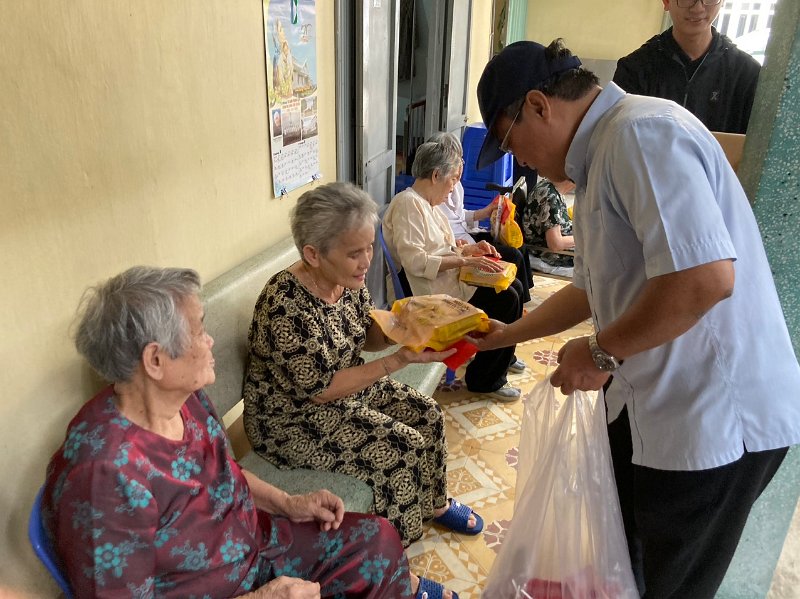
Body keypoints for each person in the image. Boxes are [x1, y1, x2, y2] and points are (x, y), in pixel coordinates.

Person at [473, 39, 800, 598]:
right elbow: (589, 291)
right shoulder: (598, 159)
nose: (519, 160)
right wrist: (505, 335)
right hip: (657, 401)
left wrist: (600, 352)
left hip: (713, 419)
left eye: (509, 142)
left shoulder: (641, 134)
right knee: (628, 564)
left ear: (538, 105)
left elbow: (705, 279)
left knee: (674, 584)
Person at [41, 266, 412, 598]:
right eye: (199, 330)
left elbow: (226, 475)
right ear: (155, 360)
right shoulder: (104, 476)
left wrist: (287, 503)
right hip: (220, 588)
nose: (210, 341)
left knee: (377, 543)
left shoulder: (185, 399)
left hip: (256, 543)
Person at [242, 183, 482, 571]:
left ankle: (433, 504)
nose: (366, 260)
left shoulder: (345, 279)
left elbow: (367, 337)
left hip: (349, 388)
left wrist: (408, 325)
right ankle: (396, 572)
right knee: (400, 450)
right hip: (293, 419)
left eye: (369, 247)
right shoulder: (284, 306)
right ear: (313, 254)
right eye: (355, 252)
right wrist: (399, 359)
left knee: (427, 414)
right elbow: (322, 390)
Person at [383, 141, 526, 402]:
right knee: (507, 298)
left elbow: (443, 248)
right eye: (452, 180)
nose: (453, 188)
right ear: (436, 175)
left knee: (511, 285)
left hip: (446, 280)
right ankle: (485, 379)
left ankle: (499, 360)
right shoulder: (407, 204)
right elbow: (416, 262)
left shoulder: (428, 204)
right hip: (429, 291)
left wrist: (468, 251)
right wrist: (463, 262)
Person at [613, 0, 760, 134]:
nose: (697, 8)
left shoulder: (747, 74)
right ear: (666, 2)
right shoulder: (634, 69)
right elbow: (618, 139)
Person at [430, 131, 533, 303]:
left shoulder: (455, 185)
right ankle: (519, 303)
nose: (460, 167)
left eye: (461, 160)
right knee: (513, 258)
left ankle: (524, 300)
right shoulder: (431, 196)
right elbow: (437, 246)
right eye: (456, 162)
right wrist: (464, 250)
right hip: (460, 247)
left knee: (518, 247)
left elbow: (460, 215)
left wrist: (487, 211)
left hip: (467, 237)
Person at [522, 177, 575, 277]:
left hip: (564, 243)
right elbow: (556, 244)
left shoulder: (549, 185)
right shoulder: (550, 198)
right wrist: (584, 238)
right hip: (551, 254)